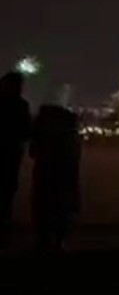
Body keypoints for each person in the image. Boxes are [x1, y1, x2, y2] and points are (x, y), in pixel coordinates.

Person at [29, 105, 81, 252]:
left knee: (44, 206)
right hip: (63, 182)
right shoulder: (70, 138)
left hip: (47, 177)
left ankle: (45, 238)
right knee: (59, 207)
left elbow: (33, 152)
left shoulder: (48, 138)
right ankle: (58, 239)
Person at [0, 71, 31, 248]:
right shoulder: (21, 105)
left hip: (9, 154)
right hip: (11, 154)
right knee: (6, 192)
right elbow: (26, 131)